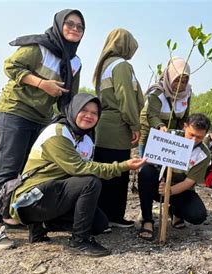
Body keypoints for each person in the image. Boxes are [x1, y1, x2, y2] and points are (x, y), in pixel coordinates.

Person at [8, 93, 146, 256]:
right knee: (89, 182)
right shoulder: (57, 133)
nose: (89, 116)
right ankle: (79, 241)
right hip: (31, 200)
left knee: (99, 224)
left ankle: (41, 225)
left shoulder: (85, 139)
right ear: (72, 110)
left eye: (94, 113)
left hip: (54, 196)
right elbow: (79, 168)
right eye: (84, 110)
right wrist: (123, 166)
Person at [0, 9, 85, 250]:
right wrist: (42, 83)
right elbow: (11, 66)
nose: (74, 29)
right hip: (15, 111)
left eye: (79, 26)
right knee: (7, 168)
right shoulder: (39, 47)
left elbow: (68, 96)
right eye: (70, 24)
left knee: (28, 169)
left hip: (42, 117)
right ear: (59, 25)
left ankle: (12, 215)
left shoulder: (74, 61)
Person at [92, 28, 144, 228]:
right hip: (118, 126)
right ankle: (114, 217)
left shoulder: (103, 65)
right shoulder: (121, 65)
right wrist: (134, 124)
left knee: (104, 171)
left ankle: (102, 217)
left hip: (103, 126)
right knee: (118, 173)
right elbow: (126, 97)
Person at [137, 113, 211, 241]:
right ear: (185, 127)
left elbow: (189, 182)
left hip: (180, 190)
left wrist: (169, 191)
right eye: (191, 135)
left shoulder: (204, 154)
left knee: (198, 216)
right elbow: (149, 159)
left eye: (199, 137)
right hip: (158, 185)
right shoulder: (169, 136)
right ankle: (147, 220)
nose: (194, 140)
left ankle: (176, 212)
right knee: (146, 172)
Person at [138, 57, 192, 156]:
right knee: (147, 160)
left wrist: (181, 133)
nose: (180, 85)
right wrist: (160, 126)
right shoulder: (158, 92)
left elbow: (185, 116)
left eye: (184, 82)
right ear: (170, 77)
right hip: (150, 128)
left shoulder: (187, 93)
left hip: (171, 130)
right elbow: (152, 115)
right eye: (176, 80)